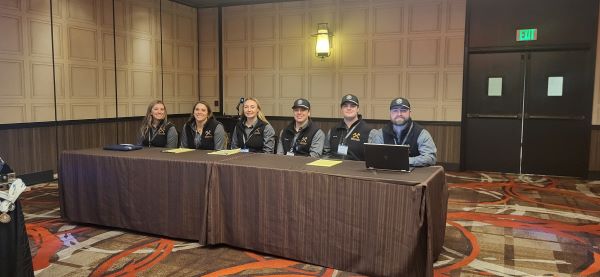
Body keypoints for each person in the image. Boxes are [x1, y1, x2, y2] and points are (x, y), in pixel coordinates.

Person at [368, 97, 437, 166]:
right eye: (395, 110)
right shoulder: (381, 133)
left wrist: (405, 161)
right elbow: (375, 157)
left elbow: (430, 158)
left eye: (403, 110)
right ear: (390, 113)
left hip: (414, 175)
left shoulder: (421, 133)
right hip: (387, 174)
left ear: (410, 113)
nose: (399, 114)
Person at [324, 94, 372, 161]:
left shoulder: (369, 131)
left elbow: (371, 158)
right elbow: (326, 153)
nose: (348, 108)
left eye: (352, 106)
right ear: (341, 109)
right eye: (345, 106)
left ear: (358, 109)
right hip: (334, 170)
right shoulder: (333, 130)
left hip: (357, 171)